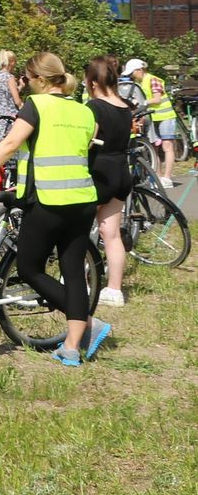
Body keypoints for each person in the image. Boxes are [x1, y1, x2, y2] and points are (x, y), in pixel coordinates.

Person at [0, 52, 111, 367]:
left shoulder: (35, 107)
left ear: (39, 79)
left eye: (26, 79)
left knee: (29, 268)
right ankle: (71, 347)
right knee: (72, 271)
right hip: (82, 200)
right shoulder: (84, 111)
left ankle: (90, 325)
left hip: (48, 201)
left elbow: (9, 144)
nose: (23, 85)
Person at [85, 56, 134, 307]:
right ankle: (114, 290)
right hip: (121, 171)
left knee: (80, 230)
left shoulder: (94, 107)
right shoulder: (125, 106)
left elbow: (88, 140)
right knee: (111, 233)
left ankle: (78, 279)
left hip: (98, 172)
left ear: (92, 82)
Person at [123, 58, 176, 187]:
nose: (131, 76)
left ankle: (167, 177)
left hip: (165, 117)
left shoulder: (152, 80)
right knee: (154, 147)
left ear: (139, 70)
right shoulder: (139, 83)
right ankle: (157, 177)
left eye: (132, 72)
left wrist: (143, 102)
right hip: (152, 118)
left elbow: (157, 99)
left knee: (167, 147)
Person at [0, 50, 24, 142]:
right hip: (10, 120)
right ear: (12, 62)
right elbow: (17, 101)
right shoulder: (9, 77)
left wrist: (20, 86)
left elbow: (6, 94)